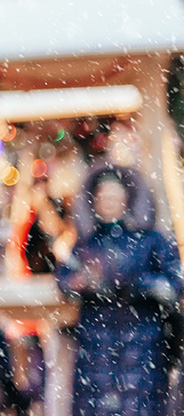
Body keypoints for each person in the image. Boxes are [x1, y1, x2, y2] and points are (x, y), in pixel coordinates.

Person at [55, 164, 183, 416]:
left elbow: (174, 282)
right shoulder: (85, 242)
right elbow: (64, 279)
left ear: (127, 198)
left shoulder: (152, 239)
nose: (109, 202)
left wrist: (136, 285)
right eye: (103, 196)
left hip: (142, 342)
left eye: (114, 196)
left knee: (140, 406)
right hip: (96, 342)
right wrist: (85, 284)